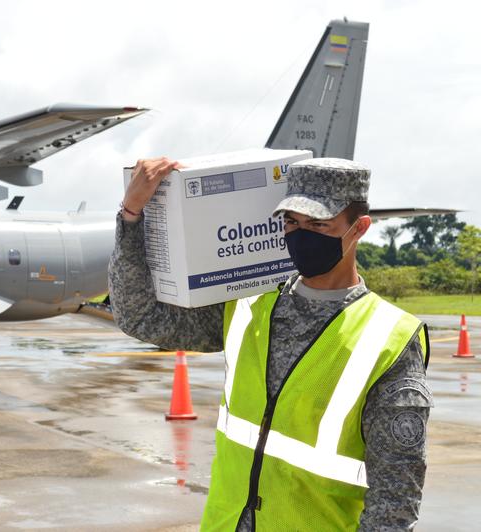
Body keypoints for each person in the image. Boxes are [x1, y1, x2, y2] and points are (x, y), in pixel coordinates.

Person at [108, 157, 432, 531]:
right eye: (291, 222)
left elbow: (395, 500)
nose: (300, 234)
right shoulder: (250, 304)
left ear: (358, 228)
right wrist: (131, 216)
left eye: (318, 225)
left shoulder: (387, 339)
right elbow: (141, 316)